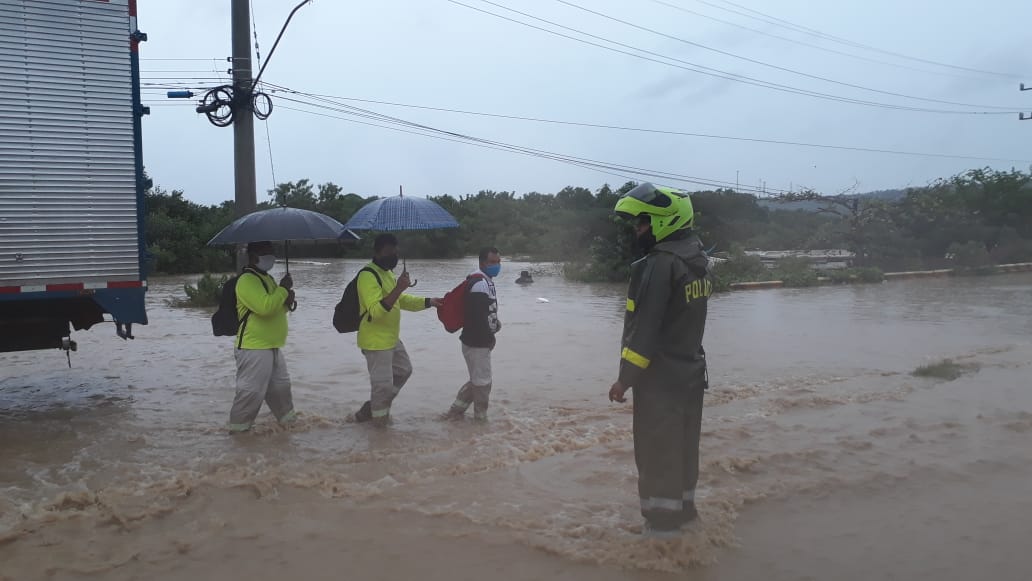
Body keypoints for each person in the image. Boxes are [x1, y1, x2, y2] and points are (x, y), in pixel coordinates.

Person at [607, 183, 713, 538]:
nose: (637, 229)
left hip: (660, 380)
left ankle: (662, 533)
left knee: (657, 451)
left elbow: (645, 330)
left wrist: (625, 379)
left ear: (663, 221)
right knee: (684, 447)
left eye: (643, 222)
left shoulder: (659, 264)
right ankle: (685, 515)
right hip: (691, 373)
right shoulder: (697, 260)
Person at [354, 234, 442, 425]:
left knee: (404, 370)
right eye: (388, 252)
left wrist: (429, 302)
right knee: (382, 387)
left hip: (391, 338)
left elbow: (400, 301)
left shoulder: (387, 274)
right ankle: (379, 429)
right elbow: (376, 311)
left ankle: (372, 409)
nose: (393, 256)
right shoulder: (367, 275)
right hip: (376, 342)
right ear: (377, 252)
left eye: (395, 251)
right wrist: (398, 288)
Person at [228, 241, 298, 433]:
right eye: (266, 253)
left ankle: (290, 428)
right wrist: (283, 289)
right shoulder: (247, 280)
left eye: (272, 252)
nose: (271, 257)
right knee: (251, 393)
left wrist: (287, 302)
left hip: (272, 345)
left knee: (281, 389)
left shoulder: (267, 278)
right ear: (253, 256)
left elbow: (276, 309)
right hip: (254, 347)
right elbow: (265, 307)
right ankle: (238, 435)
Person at [445, 247, 502, 421]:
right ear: (482, 263)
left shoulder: (483, 281)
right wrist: (489, 338)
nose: (497, 266)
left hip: (474, 339)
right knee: (483, 383)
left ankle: (455, 413)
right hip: (477, 341)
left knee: (477, 380)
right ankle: (480, 421)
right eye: (492, 262)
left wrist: (495, 324)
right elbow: (477, 317)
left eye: (498, 262)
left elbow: (484, 311)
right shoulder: (479, 284)